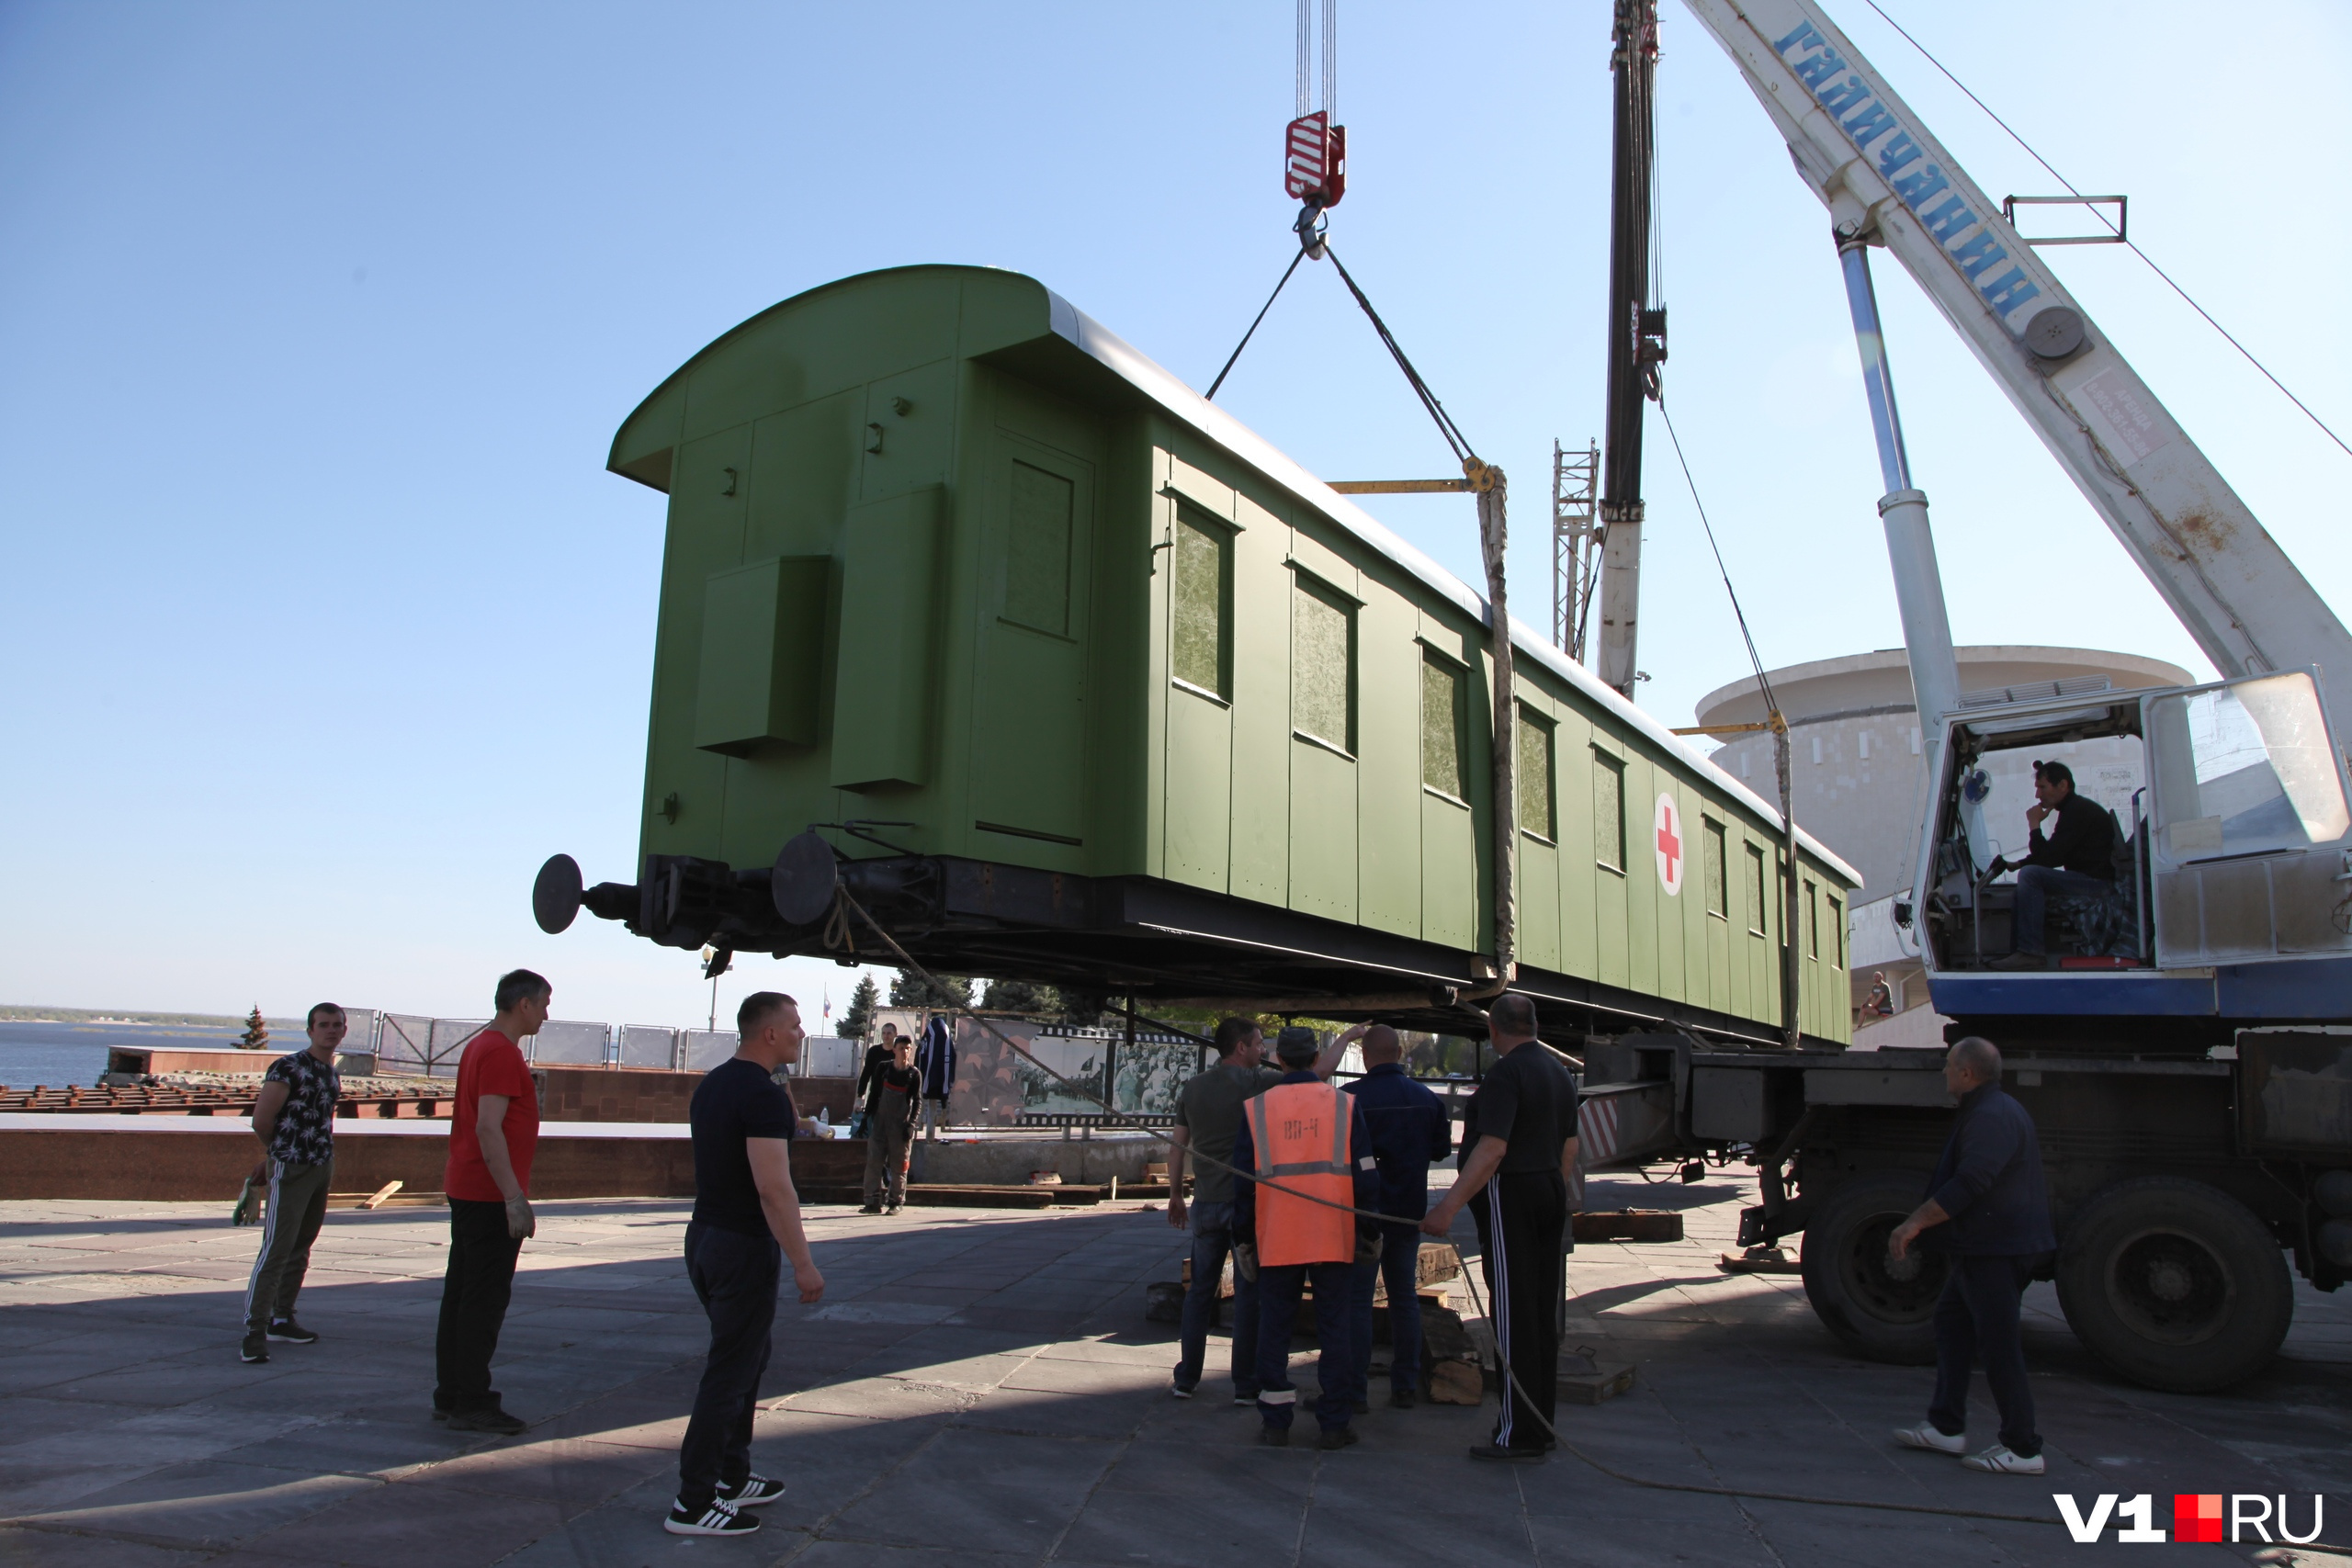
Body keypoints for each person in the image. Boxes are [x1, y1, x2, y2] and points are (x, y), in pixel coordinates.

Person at [666, 991, 827, 1537]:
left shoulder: (714, 1084)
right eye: (796, 1027)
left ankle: (732, 1477)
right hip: (740, 1246)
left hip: (705, 1237)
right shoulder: (759, 1095)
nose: (801, 1035)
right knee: (729, 1373)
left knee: (748, 1359)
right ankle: (692, 1502)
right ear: (769, 1035)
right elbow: (773, 1187)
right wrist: (803, 1263)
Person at [1888, 1035, 2056, 1475]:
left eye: (1948, 1065)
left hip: (1996, 1250)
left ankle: (2023, 1449)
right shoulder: (1989, 1110)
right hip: (1984, 1246)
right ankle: (1946, 1426)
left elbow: (1970, 1184)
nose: (1943, 1071)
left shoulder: (1991, 1117)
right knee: (1951, 1323)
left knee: (1999, 1346)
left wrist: (1914, 1223)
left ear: (1966, 1073)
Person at [1421, 994, 1578, 1461]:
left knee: (1512, 1316)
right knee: (1538, 1313)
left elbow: (1493, 1148)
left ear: (1494, 1030)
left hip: (1513, 1195)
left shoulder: (1507, 1074)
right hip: (1550, 1188)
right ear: (1533, 1025)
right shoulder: (1559, 1073)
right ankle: (1540, 1422)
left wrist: (1447, 1208)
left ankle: (1519, 1432)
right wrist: (1556, 1195)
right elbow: (1570, 1145)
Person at [1166, 1018, 1342, 1403]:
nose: (1264, 1051)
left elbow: (1178, 1146)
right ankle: (1245, 1385)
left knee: (1199, 1294)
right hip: (1247, 1207)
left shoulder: (1192, 1088)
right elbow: (1317, 1074)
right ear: (1241, 1047)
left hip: (1206, 1205)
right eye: (1259, 1044)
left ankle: (1186, 1379)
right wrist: (1347, 1036)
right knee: (1249, 1296)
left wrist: (1175, 1195)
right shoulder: (1257, 1083)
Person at [1231, 1026, 1380, 1450]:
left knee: (1274, 1330)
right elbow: (1366, 1174)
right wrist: (1369, 1229)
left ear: (1279, 1060)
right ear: (1317, 1059)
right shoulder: (1344, 1105)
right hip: (1332, 1235)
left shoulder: (1256, 1109)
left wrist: (1244, 1239)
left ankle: (1276, 1423)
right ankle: (1334, 1423)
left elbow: (1242, 1185)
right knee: (1335, 1330)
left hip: (1277, 1236)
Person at [432, 969, 548, 1434]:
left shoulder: (481, 1044)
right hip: (487, 1194)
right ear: (523, 1005)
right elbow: (488, 1126)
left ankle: (452, 1394)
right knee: (483, 1300)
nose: (545, 1013)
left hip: (469, 1186)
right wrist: (513, 1197)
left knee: (461, 1296)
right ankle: (472, 1400)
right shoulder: (500, 1052)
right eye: (543, 1004)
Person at [1338, 1023, 1453, 1411]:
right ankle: (1404, 1384)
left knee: (1358, 1301)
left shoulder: (1347, 1099)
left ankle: (1354, 1391)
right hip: (1407, 1213)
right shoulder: (1427, 1099)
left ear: (1366, 1058)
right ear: (1400, 1054)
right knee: (1404, 1297)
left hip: (1362, 1215)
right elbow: (1439, 1151)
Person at [239, 1003, 346, 1364]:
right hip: (293, 1167)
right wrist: (277, 1156)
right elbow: (262, 1120)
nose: (330, 1031)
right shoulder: (288, 1067)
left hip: (321, 1166)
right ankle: (254, 1330)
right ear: (310, 1030)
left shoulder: (331, 1072)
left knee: (302, 1245)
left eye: (337, 1025)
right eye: (323, 1025)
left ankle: (282, 1317)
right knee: (276, 1249)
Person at [1989, 760, 2118, 970]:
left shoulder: (2077, 811)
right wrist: (2019, 863)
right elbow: (2056, 852)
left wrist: (2034, 825)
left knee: (2031, 876)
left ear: (2063, 786)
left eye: (2042, 787)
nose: (2038, 795)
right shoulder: (2074, 809)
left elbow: (2049, 859)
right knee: (2021, 889)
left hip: (2097, 884)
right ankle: (2019, 954)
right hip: (2089, 880)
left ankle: (2031, 953)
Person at [859, 1032, 920, 1214]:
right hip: (880, 1124)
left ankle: (896, 1202)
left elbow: (917, 1101)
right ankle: (872, 1202)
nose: (905, 1052)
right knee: (874, 1163)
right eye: (901, 1048)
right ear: (894, 1050)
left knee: (899, 1165)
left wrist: (911, 1124)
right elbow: (875, 1093)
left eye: (908, 1048)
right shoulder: (883, 1069)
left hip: (900, 1126)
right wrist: (865, 1117)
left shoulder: (913, 1074)